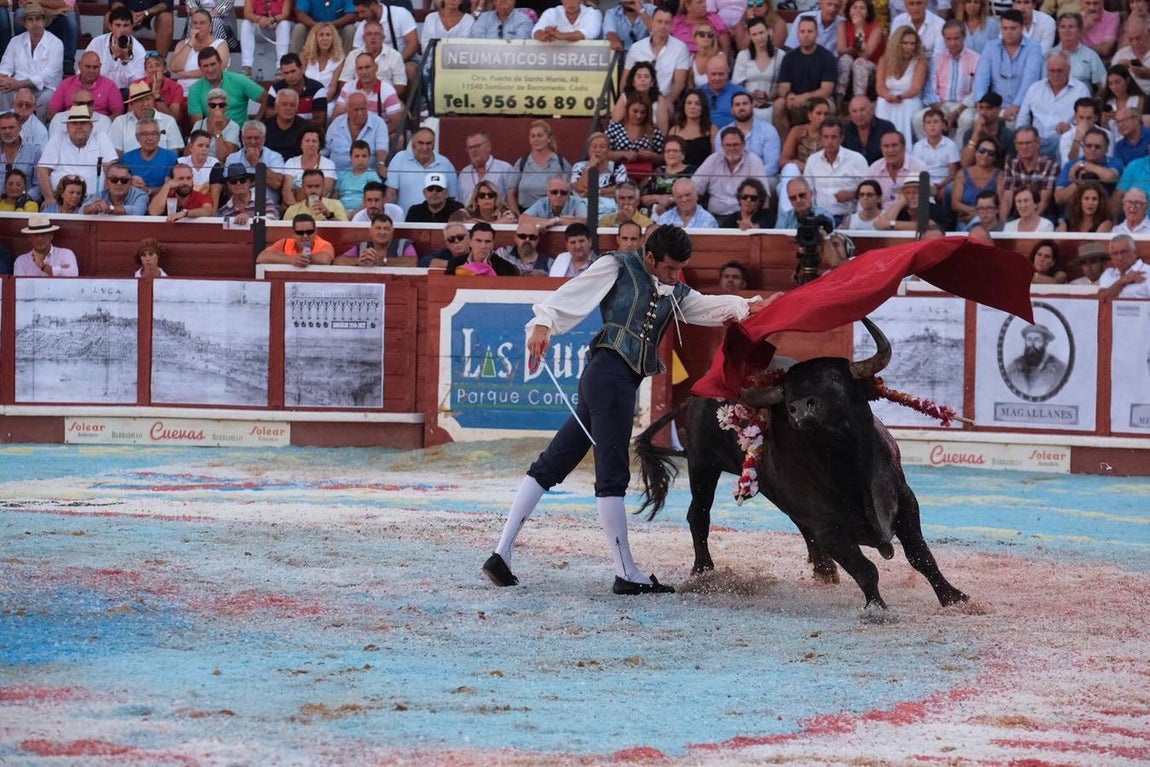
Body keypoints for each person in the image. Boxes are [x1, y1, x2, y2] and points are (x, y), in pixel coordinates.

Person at [481, 225, 775, 595]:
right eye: (669, 268)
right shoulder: (617, 266)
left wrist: (748, 306)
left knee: (554, 463)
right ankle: (626, 572)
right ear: (650, 256)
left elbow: (705, 306)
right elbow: (575, 292)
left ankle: (501, 554)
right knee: (611, 475)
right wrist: (543, 321)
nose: (674, 275)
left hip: (607, 381)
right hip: (610, 378)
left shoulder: (674, 289)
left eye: (680, 269)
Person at [972, 10, 1044, 126]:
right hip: (993, 105)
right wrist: (981, 104)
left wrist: (1017, 105)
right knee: (973, 121)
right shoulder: (991, 46)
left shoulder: (1034, 48)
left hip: (1023, 106)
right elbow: (981, 77)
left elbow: (1030, 80)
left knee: (1013, 124)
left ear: (1021, 28)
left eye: (1013, 28)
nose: (1008, 32)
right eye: (1005, 28)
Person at [36, 105, 117, 208]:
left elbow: (112, 169)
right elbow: (42, 170)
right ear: (67, 127)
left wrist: (104, 198)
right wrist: (49, 198)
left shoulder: (101, 137)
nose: (79, 126)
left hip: (93, 202)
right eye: (74, 123)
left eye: (83, 123)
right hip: (60, 201)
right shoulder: (58, 138)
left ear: (91, 126)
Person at [623, 5, 689, 130]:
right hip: (636, 99)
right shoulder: (636, 48)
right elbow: (625, 81)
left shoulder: (680, 48)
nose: (663, 26)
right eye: (659, 22)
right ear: (652, 22)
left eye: (667, 23)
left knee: (661, 110)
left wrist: (668, 101)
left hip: (662, 99)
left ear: (671, 25)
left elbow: (679, 83)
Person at [774, 16, 836, 135]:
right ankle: (787, 143)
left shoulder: (827, 58)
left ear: (817, 34)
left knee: (826, 107)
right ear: (797, 34)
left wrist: (805, 97)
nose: (806, 35)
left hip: (820, 99)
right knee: (778, 105)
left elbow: (826, 90)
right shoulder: (789, 58)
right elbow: (783, 87)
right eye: (802, 32)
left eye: (810, 31)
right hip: (795, 98)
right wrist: (789, 95)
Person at [0, 1, 64, 114]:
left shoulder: (56, 43)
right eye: (30, 19)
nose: (34, 23)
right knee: (2, 90)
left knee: (47, 97)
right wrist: (4, 80)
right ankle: (7, 124)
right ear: (25, 24)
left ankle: (38, 128)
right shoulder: (15, 41)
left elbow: (48, 75)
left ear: (44, 21)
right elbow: (5, 65)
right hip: (17, 87)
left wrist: (20, 84)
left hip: (43, 88)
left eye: (38, 19)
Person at [694, 126, 767, 218]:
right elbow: (695, 186)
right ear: (722, 146)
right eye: (728, 145)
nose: (732, 148)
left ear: (744, 145)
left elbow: (763, 195)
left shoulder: (754, 161)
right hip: (714, 217)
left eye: (736, 144)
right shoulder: (713, 159)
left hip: (744, 217)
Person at [876, 26, 929, 148]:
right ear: (897, 43)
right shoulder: (884, 60)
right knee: (882, 102)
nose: (909, 47)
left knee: (906, 104)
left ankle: (905, 146)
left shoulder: (920, 61)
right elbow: (880, 86)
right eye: (905, 43)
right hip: (889, 96)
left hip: (909, 97)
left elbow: (916, 87)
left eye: (912, 43)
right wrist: (888, 96)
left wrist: (901, 96)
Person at [777, 97, 830, 216]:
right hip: (800, 175)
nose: (823, 118)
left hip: (821, 174)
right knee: (790, 168)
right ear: (809, 115)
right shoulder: (797, 131)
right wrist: (797, 163)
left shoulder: (830, 135)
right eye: (819, 113)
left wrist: (811, 167)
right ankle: (787, 216)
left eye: (826, 114)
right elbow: (782, 161)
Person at [387, 126, 457, 216]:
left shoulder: (445, 164)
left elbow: (451, 197)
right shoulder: (400, 158)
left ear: (433, 146)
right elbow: (391, 194)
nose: (425, 147)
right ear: (413, 145)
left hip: (437, 222)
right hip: (406, 222)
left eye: (428, 143)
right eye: (421, 143)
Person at [187, 48, 265, 128]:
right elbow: (197, 124)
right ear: (200, 69)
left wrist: (255, 123)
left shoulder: (239, 80)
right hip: (210, 134)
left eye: (213, 64)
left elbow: (266, 98)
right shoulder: (195, 89)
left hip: (240, 133)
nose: (210, 69)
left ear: (220, 63)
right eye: (205, 66)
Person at [734, 17, 785, 126]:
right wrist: (750, 96)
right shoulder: (743, 55)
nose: (759, 37)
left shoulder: (780, 55)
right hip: (748, 104)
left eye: (761, 32)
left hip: (771, 103)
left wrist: (769, 96)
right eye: (755, 34)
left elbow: (783, 85)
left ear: (768, 32)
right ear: (750, 37)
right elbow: (737, 85)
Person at [1054, 127, 1123, 208]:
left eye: (1097, 147)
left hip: (1104, 213)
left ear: (1106, 149)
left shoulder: (1115, 162)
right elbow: (1058, 198)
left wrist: (1084, 165)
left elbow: (1109, 177)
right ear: (1083, 147)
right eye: (1088, 146)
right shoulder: (1071, 165)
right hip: (1075, 214)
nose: (1092, 149)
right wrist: (1078, 182)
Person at [324, 91, 389, 175]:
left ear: (367, 107)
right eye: (356, 109)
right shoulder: (336, 124)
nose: (360, 113)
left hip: (366, 176)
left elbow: (382, 148)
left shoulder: (378, 123)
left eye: (362, 109)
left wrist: (380, 164)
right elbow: (324, 150)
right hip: (337, 175)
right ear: (347, 109)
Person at [1001, 126, 1057, 221]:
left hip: (1044, 216)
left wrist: (1029, 224)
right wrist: (1002, 225)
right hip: (1018, 214)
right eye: (1020, 143)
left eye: (1028, 143)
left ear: (1037, 143)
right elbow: (1007, 199)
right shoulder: (1011, 165)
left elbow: (1045, 200)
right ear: (1015, 145)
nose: (1024, 147)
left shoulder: (1049, 165)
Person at [47, 51, 123, 120]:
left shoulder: (110, 85)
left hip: (99, 127)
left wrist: (104, 124)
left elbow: (118, 113)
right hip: (70, 125)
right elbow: (52, 112)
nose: (91, 70)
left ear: (100, 66)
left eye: (95, 67)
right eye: (88, 67)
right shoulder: (66, 84)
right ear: (79, 65)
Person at [86, 7, 147, 92]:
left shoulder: (139, 50)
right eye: (118, 25)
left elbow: (139, 84)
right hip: (98, 91)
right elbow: (83, 72)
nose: (122, 30)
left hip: (125, 94)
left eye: (126, 25)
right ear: (110, 26)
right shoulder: (97, 43)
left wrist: (125, 61)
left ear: (132, 27)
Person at [170, 9, 231, 93]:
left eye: (202, 23)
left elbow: (216, 69)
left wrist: (187, 74)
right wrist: (190, 43)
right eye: (195, 23)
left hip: (209, 92)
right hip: (182, 92)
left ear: (210, 27)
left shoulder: (220, 44)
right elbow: (174, 67)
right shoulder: (182, 44)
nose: (198, 26)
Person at [835, 0, 884, 103]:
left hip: (871, 70)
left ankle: (858, 101)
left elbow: (865, 55)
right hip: (850, 65)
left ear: (868, 12)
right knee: (845, 59)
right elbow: (841, 50)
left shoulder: (876, 28)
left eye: (862, 8)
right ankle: (838, 101)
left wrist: (859, 28)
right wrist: (857, 49)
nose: (858, 11)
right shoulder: (843, 24)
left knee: (860, 62)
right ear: (849, 10)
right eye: (854, 7)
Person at [953, 136, 1003, 230]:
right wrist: (975, 212)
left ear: (995, 158)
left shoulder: (1000, 175)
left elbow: (1001, 203)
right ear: (975, 152)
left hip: (991, 222)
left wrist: (980, 215)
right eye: (982, 150)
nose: (985, 155)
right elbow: (955, 203)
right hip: (966, 223)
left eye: (991, 153)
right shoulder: (962, 173)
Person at [867, 129, 928, 205]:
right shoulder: (874, 168)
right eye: (886, 146)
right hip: (881, 215)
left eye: (894, 145)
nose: (890, 150)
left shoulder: (919, 167)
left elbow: (928, 199)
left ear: (903, 147)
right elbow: (866, 197)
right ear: (881, 149)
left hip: (911, 213)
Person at [1005, 322, 1067, 396]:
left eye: (1037, 340)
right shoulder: (1013, 367)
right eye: (1029, 339)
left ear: (1046, 343)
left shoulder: (1060, 369)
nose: (1032, 344)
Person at [334, 212, 416, 266]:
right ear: (371, 231)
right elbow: (337, 261)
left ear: (392, 231)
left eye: (386, 229)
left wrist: (383, 261)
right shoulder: (363, 246)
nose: (382, 232)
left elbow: (412, 262)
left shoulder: (403, 244)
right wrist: (358, 261)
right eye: (378, 228)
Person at [238, 0, 295, 79]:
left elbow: (286, 13)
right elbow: (247, 13)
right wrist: (259, 19)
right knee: (246, 24)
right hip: (260, 25)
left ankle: (281, 67)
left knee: (284, 24)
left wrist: (273, 19)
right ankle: (247, 66)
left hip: (278, 24)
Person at [642, 134, 694, 216]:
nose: (671, 153)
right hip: (654, 216)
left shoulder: (691, 172)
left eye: (675, 151)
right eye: (668, 151)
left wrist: (670, 199)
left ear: (683, 155)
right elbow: (644, 198)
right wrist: (659, 198)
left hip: (681, 215)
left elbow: (694, 197)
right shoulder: (658, 171)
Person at [959, 91, 1014, 168]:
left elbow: (1009, 166)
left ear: (999, 109)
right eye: (981, 108)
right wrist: (976, 133)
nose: (983, 113)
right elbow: (965, 163)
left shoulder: (1008, 136)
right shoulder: (970, 133)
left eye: (988, 108)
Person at [256, 213, 334, 265]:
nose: (305, 236)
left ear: (315, 231)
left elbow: (324, 259)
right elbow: (261, 257)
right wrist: (290, 259)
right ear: (293, 233)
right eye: (300, 232)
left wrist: (301, 258)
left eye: (309, 231)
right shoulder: (284, 243)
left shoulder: (324, 244)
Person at [1055, 13, 1106, 92]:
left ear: (1080, 31)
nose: (1067, 31)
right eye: (1063, 27)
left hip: (1082, 102)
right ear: (1058, 30)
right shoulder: (1048, 55)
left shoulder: (1090, 55)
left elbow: (1103, 85)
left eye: (1071, 27)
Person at [13, 213, 78, 276]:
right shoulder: (21, 261)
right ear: (29, 237)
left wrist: (43, 266)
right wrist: (58, 270)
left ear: (51, 235)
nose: (40, 239)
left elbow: (73, 274)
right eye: (36, 235)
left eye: (43, 234)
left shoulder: (65, 254)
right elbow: (21, 286)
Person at [665, 89, 717, 168]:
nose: (693, 107)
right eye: (689, 103)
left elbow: (715, 157)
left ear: (703, 107)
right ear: (684, 106)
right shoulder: (674, 130)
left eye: (697, 104)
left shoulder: (712, 129)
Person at [446, 221, 519, 276]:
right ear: (470, 242)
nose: (483, 246)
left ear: (493, 244)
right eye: (478, 241)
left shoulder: (507, 268)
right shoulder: (455, 264)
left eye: (487, 241)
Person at [458, 131, 514, 204]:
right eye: (470, 147)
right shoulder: (464, 173)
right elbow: (459, 201)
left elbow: (512, 200)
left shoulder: (504, 169)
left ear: (488, 147)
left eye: (477, 146)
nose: (473, 150)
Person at [148, 163, 215, 221]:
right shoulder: (165, 195)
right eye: (181, 179)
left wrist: (185, 213)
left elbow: (208, 211)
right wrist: (166, 186)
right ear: (171, 180)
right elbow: (154, 212)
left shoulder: (200, 197)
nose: (186, 183)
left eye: (189, 178)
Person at [298, 22, 347, 102]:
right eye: (321, 35)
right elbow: (300, 83)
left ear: (333, 38)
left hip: (326, 100)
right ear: (315, 38)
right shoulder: (305, 56)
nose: (325, 38)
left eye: (328, 35)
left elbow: (332, 87)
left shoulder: (339, 59)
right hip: (305, 98)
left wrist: (321, 104)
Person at [0, 111, 42, 202]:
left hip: (26, 204)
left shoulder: (34, 152)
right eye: (3, 128)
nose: (7, 131)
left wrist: (25, 199)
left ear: (20, 128)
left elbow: (39, 185)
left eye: (11, 128)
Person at [844, 95, 898, 165]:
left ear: (872, 110)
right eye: (854, 111)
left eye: (862, 110)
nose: (859, 115)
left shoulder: (886, 128)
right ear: (850, 114)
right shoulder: (845, 130)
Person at [81, 161, 149, 215]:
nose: (119, 183)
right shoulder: (99, 195)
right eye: (114, 180)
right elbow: (81, 210)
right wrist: (90, 208)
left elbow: (138, 211)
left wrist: (110, 209)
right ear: (107, 182)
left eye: (123, 180)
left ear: (130, 183)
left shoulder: (140, 195)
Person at [520, 175, 589, 228]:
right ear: (547, 193)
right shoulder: (542, 203)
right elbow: (522, 219)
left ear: (569, 194)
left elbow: (584, 221)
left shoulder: (577, 202)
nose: (558, 195)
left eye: (563, 192)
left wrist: (556, 220)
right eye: (554, 192)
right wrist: (551, 221)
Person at [284, 167, 349, 220]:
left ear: (323, 187)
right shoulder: (292, 210)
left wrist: (328, 215)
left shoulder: (335, 204)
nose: (313, 191)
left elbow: (345, 231)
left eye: (317, 186)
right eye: (309, 186)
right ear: (303, 188)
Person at [334, 139, 381, 212]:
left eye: (364, 156)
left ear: (369, 157)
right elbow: (335, 196)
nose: (360, 159)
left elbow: (372, 199)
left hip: (363, 212)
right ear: (351, 158)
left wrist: (354, 214)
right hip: (341, 211)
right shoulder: (342, 174)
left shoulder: (373, 176)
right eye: (357, 156)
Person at [262, 88, 309, 161]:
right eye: (284, 104)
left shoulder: (307, 128)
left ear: (297, 108)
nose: (288, 108)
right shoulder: (263, 127)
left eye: (292, 105)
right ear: (276, 107)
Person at [533, 0, 602, 42]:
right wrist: (544, 36)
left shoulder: (593, 13)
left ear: (581, 0)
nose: (571, 3)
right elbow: (537, 30)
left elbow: (591, 32)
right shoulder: (551, 12)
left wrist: (560, 35)